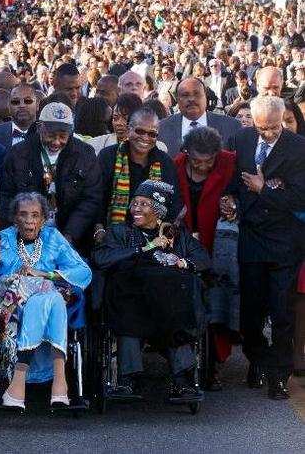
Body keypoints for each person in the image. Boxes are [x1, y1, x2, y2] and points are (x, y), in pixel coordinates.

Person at [0, 192, 91, 409]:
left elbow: (83, 271)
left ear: (44, 219)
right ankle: (59, 382)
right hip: (9, 306)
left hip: (46, 303)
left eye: (35, 215)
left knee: (48, 296)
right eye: (23, 214)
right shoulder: (3, 239)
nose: (29, 220)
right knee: (49, 298)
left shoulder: (53, 238)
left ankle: (17, 387)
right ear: (15, 218)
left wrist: (45, 275)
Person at [94, 180, 210, 403]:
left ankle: (182, 381)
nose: (136, 208)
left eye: (144, 204)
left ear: (158, 212)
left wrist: (182, 262)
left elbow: (203, 259)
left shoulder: (177, 235)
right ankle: (128, 379)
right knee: (128, 314)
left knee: (177, 312)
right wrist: (144, 248)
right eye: (134, 203)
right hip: (131, 300)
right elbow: (102, 258)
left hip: (168, 305)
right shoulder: (120, 232)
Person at [222, 95, 305, 400]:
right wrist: (230, 199)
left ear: (282, 120)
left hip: (285, 240)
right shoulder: (242, 139)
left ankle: (279, 376)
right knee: (251, 311)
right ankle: (258, 360)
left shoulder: (298, 147)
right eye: (262, 128)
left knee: (282, 311)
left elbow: (299, 198)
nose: (267, 133)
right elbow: (233, 180)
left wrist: (262, 189)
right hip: (252, 236)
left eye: (273, 127)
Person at [174, 126, 237, 390]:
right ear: (186, 153)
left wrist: (233, 204)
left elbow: (240, 194)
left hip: (217, 241)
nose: (201, 166)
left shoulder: (229, 162)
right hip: (184, 243)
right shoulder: (175, 165)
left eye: (207, 161)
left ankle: (213, 366)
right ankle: (184, 363)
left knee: (217, 302)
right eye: (196, 161)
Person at [0, 102, 102, 250]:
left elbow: (91, 199)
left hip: (72, 235)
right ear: (40, 127)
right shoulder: (18, 153)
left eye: (62, 136)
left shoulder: (85, 154)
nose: (56, 142)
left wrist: (70, 235)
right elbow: (5, 195)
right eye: (51, 135)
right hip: (24, 233)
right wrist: (23, 228)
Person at [96, 107, 182, 243]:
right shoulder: (108, 156)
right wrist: (100, 230)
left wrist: (163, 234)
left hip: (152, 237)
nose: (145, 138)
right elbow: (97, 198)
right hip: (112, 234)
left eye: (152, 134)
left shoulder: (165, 162)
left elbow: (174, 202)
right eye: (140, 131)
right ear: (129, 130)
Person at [158, 77, 241, 157]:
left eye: (196, 94)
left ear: (206, 97)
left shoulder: (231, 126)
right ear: (177, 100)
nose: (191, 99)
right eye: (185, 95)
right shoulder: (162, 128)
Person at [0, 83, 38, 151]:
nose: (22, 105)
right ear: (9, 106)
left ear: (37, 105)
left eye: (28, 101)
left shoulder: (50, 133)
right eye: (15, 102)